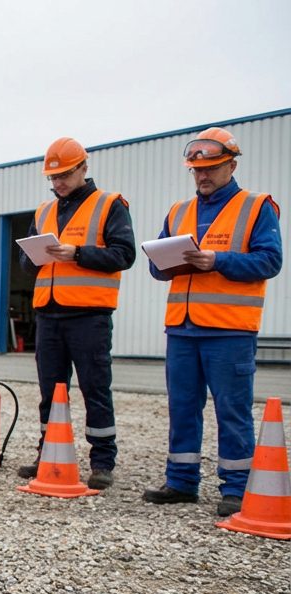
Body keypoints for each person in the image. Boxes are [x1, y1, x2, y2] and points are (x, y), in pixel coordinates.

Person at [143, 128, 282, 517]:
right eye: (196, 170)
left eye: (211, 169)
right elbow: (156, 266)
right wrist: (166, 263)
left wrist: (218, 260)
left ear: (231, 165)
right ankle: (181, 482)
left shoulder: (257, 207)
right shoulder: (178, 211)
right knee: (182, 406)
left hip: (229, 329)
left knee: (231, 409)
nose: (202, 176)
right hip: (183, 328)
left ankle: (236, 488)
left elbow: (270, 261)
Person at [15, 138, 135, 490]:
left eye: (65, 175)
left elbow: (123, 255)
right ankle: (47, 453)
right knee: (50, 391)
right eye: (52, 178)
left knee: (95, 387)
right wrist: (36, 256)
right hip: (49, 314)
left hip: (89, 313)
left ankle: (102, 460)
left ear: (84, 167)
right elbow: (26, 263)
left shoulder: (109, 205)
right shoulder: (43, 212)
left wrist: (77, 253)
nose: (58, 183)